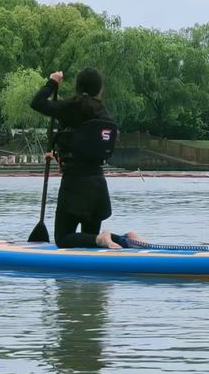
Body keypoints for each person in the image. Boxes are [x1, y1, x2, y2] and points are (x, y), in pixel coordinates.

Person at [31, 67, 137, 248]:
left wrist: (53, 83)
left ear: (78, 87)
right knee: (89, 241)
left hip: (75, 185)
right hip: (98, 185)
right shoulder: (102, 112)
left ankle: (103, 238)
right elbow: (82, 139)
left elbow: (37, 103)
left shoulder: (72, 106)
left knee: (63, 239)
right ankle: (126, 238)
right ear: (99, 89)